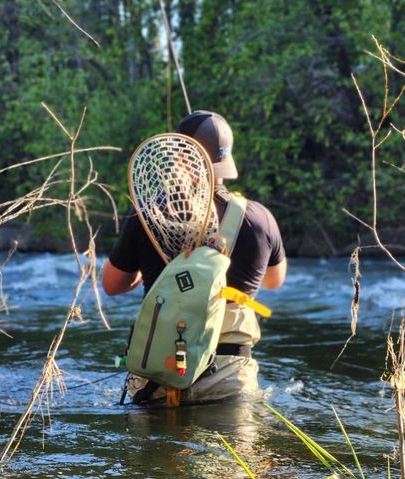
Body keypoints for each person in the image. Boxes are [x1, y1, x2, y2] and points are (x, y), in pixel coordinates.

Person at [102, 110, 287, 405]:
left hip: (160, 377)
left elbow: (111, 285)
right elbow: (275, 281)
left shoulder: (148, 216)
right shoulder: (261, 220)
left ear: (178, 156)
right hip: (229, 379)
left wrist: (144, 272)